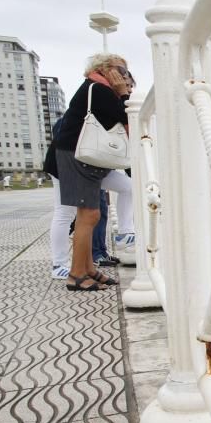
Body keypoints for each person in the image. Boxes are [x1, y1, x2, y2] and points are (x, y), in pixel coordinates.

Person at [53, 53, 133, 291]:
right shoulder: (98, 89)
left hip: (75, 155)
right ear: (107, 69)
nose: (125, 76)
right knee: (87, 216)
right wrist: (124, 93)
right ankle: (76, 274)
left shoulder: (96, 88)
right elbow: (126, 115)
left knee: (90, 215)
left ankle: (87, 268)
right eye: (122, 70)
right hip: (76, 156)